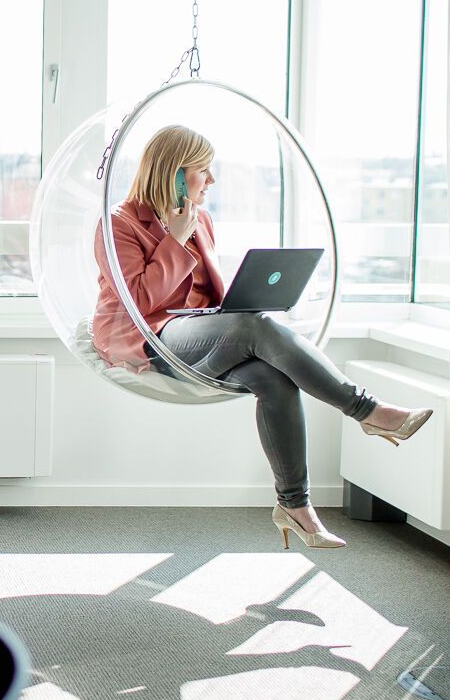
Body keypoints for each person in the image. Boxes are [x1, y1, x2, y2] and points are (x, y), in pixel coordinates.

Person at [91, 125, 432, 549]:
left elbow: (204, 292)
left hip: (199, 331)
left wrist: (236, 300)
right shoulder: (118, 224)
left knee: (273, 377)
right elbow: (139, 302)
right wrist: (175, 240)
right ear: (174, 174)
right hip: (149, 338)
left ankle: (295, 505)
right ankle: (367, 411)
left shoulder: (201, 219)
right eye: (203, 170)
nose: (211, 180)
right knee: (256, 326)